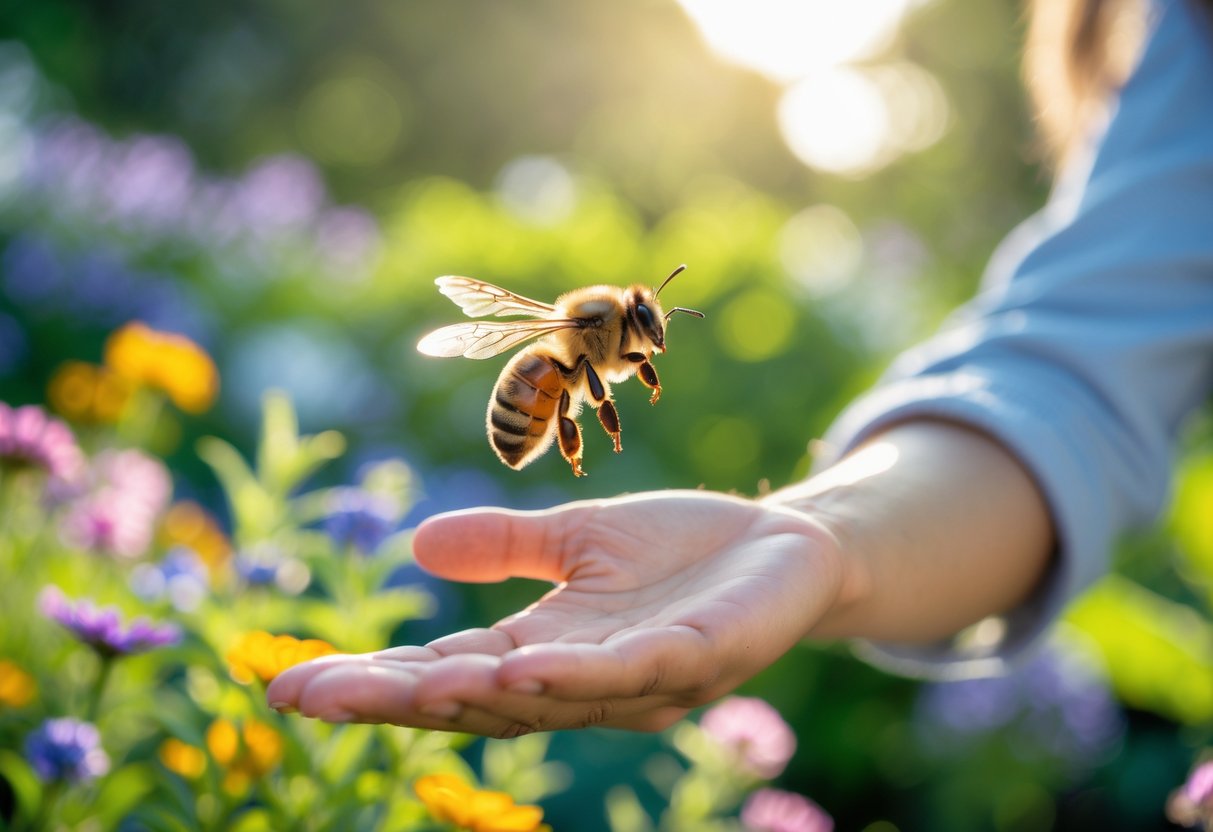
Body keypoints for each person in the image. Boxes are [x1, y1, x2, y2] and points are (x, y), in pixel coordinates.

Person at [266, 0, 1213, 737]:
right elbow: (1071, 370)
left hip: (551, 383)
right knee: (550, 388)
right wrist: (821, 535)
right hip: (549, 390)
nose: (650, 340)